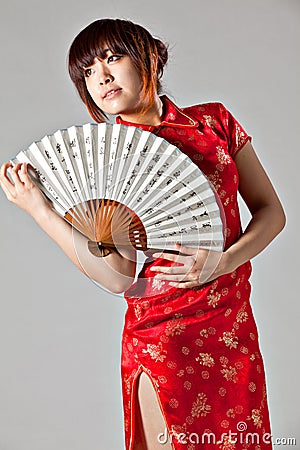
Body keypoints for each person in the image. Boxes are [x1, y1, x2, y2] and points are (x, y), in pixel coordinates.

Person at [0, 18, 285, 450]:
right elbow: (118, 278)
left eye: (112, 58)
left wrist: (225, 261)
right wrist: (40, 210)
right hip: (162, 333)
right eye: (88, 72)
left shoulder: (215, 122)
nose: (102, 77)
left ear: (149, 56)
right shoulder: (104, 162)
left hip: (233, 325)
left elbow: (271, 212)